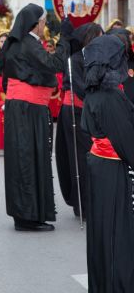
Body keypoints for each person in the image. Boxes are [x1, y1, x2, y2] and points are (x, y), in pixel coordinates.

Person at [0, 4, 72, 232]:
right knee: (27, 159)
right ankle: (28, 216)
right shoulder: (27, 43)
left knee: (28, 158)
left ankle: (30, 214)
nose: (45, 25)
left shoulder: (19, 43)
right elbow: (54, 64)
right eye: (43, 21)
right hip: (27, 110)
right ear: (35, 23)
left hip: (26, 108)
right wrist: (64, 39)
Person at [81, 34, 134, 292]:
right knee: (117, 230)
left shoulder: (92, 93)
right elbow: (128, 142)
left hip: (98, 166)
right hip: (113, 169)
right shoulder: (112, 98)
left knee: (102, 230)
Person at [55, 22, 103, 219]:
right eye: (99, 37)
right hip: (75, 111)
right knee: (80, 159)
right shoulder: (74, 59)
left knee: (92, 158)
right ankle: (82, 203)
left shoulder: (97, 57)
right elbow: (82, 87)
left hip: (89, 112)